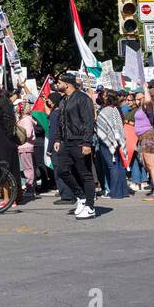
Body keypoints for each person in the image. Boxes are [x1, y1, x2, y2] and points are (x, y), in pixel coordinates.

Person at [51, 74, 96, 220]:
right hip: (66, 142)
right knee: (63, 170)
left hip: (80, 141)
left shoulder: (83, 98)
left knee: (85, 174)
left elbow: (89, 121)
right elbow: (60, 121)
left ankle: (90, 206)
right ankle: (80, 197)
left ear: (67, 84)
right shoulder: (63, 100)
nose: (57, 84)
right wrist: (58, 138)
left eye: (59, 82)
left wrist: (87, 142)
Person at [133, 92, 154, 201]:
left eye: (140, 98)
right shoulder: (140, 109)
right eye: (136, 99)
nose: (138, 100)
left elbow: (147, 101)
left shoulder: (148, 107)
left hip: (148, 136)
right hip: (143, 137)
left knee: (152, 165)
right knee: (148, 165)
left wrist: (145, 88)